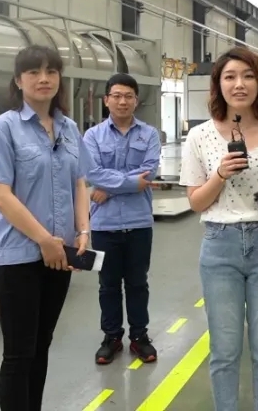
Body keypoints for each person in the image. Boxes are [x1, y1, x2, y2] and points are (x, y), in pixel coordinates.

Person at [179, 46, 258, 411]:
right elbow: (196, 202)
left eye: (248, 76)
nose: (239, 84)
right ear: (218, 85)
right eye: (230, 76)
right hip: (220, 247)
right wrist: (219, 174)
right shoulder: (200, 136)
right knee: (224, 350)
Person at [0, 45, 95, 411]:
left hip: (60, 255)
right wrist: (43, 239)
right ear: (18, 81)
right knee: (19, 353)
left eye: (51, 71)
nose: (44, 79)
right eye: (34, 72)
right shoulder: (3, 129)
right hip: (20, 255)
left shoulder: (69, 128)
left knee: (41, 346)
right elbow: (1, 196)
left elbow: (79, 183)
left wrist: (83, 231)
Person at [82, 73, 161, 365]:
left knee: (138, 283)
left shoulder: (149, 134)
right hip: (104, 225)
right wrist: (129, 183)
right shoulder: (92, 136)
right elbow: (92, 173)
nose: (122, 101)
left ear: (136, 101)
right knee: (108, 285)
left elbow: (149, 172)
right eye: (116, 96)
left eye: (128, 96)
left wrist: (109, 188)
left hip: (139, 222)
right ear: (106, 100)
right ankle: (111, 337)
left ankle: (139, 336)